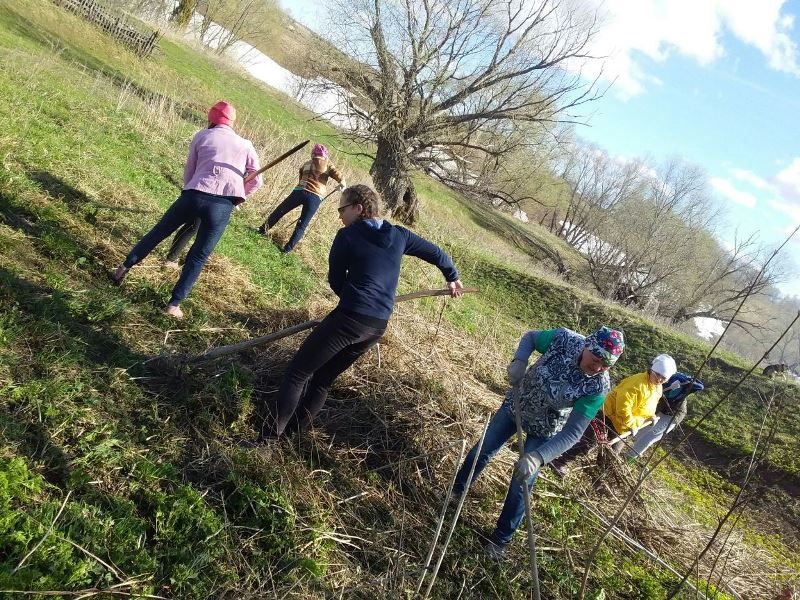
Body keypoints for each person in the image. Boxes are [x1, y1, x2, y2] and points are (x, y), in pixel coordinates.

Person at [260, 184, 464, 441]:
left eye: (341, 208)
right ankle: (290, 436)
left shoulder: (347, 236)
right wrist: (452, 276)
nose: (339, 215)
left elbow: (335, 279)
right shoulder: (399, 235)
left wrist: (352, 299)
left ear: (358, 208)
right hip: (376, 326)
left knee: (298, 373)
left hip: (350, 318)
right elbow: (436, 253)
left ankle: (267, 440)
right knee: (323, 380)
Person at [451, 326, 625, 560]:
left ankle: (500, 539)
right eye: (595, 360)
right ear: (587, 346)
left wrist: (538, 457)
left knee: (522, 482)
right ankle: (456, 491)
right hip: (517, 406)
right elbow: (531, 337)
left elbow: (573, 432)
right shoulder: (564, 339)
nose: (598, 368)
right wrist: (520, 361)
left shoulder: (598, 387)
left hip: (546, 428)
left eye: (606, 366)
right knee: (483, 449)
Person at [111, 101, 262, 318]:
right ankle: (173, 305)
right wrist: (239, 196)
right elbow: (257, 180)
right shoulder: (245, 144)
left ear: (212, 119)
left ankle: (122, 269)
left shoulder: (202, 136)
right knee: (199, 255)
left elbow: (190, 170)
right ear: (232, 123)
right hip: (221, 205)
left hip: (193, 194)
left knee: (158, 232)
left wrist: (191, 190)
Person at [257, 143, 346, 252]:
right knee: (302, 225)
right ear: (325, 155)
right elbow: (338, 175)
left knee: (280, 211)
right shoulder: (328, 165)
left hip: (299, 192)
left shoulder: (305, 164)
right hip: (315, 197)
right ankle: (287, 249)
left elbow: (300, 178)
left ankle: (262, 230)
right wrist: (342, 183)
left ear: (313, 154)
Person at [602, 353, 677, 451]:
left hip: (624, 425)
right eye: (657, 374)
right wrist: (631, 425)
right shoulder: (637, 384)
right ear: (651, 370)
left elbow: (648, 405)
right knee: (588, 445)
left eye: (663, 378)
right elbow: (623, 407)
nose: (659, 379)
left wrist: (650, 416)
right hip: (610, 417)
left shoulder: (657, 387)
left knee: (611, 454)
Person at [626, 371, 704, 459]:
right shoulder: (657, 380)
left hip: (673, 415)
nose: (659, 379)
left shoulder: (675, 384)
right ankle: (633, 450)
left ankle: (629, 458)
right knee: (641, 431)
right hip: (659, 408)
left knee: (649, 436)